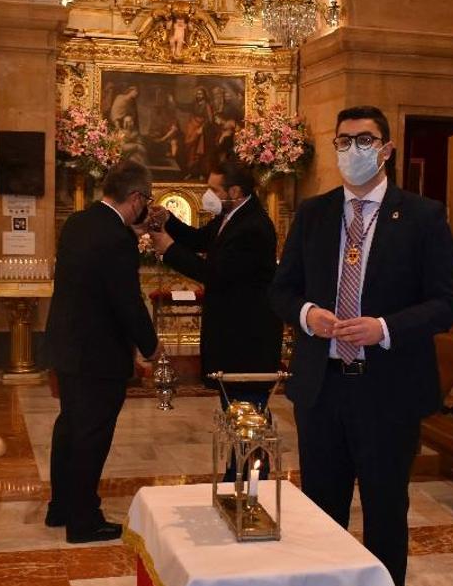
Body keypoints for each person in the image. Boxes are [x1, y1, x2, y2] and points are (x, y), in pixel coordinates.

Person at [271, 105, 453, 586]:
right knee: (321, 511)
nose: (352, 150)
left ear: (386, 149)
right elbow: (281, 290)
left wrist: (384, 328)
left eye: (364, 139)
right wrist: (308, 313)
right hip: (323, 386)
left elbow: (448, 301)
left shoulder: (423, 216)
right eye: (343, 141)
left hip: (388, 391)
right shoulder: (314, 214)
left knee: (383, 514)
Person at [45, 159, 161, 543]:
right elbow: (126, 301)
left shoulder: (79, 223)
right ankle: (84, 519)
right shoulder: (117, 239)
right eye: (146, 199)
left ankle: (60, 506)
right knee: (91, 436)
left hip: (68, 346)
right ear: (135, 197)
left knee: (70, 428)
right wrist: (151, 345)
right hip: (98, 355)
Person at [148, 162, 282, 411]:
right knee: (232, 412)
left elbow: (215, 273)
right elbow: (199, 240)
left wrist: (169, 248)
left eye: (213, 189)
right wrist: (169, 220)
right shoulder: (230, 217)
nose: (208, 195)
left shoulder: (252, 226)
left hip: (246, 340)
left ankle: (250, 452)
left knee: (247, 414)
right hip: (231, 334)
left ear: (234, 192)